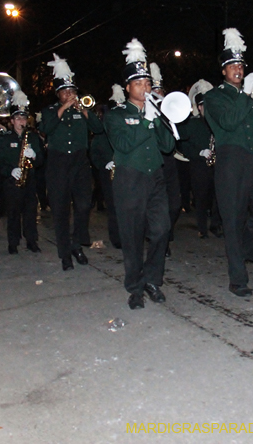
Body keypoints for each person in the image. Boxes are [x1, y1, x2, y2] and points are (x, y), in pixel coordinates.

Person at [202, 28, 253, 297]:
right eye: (232, 65)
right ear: (223, 71)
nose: (237, 69)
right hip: (231, 162)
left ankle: (242, 252)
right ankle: (238, 279)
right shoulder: (214, 97)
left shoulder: (252, 98)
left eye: (240, 65)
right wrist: (249, 98)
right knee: (232, 220)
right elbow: (228, 121)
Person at [105, 38, 173, 309]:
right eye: (139, 84)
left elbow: (168, 146)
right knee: (131, 236)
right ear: (128, 87)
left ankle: (153, 279)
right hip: (129, 179)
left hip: (155, 177)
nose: (145, 88)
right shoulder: (115, 115)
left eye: (147, 83)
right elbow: (122, 144)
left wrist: (160, 119)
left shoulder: (156, 112)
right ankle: (135, 286)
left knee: (161, 230)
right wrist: (145, 120)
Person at [40, 54, 104, 270]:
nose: (70, 95)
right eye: (66, 92)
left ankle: (77, 244)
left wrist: (85, 111)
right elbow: (45, 129)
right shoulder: (50, 111)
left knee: (84, 205)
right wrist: (63, 108)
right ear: (58, 93)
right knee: (60, 210)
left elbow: (98, 128)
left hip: (79, 162)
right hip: (58, 163)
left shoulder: (81, 110)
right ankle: (65, 253)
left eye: (73, 91)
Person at [0, 98, 44, 255]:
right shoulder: (5, 138)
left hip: (29, 179)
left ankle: (31, 241)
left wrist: (35, 156)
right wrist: (10, 171)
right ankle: (13, 243)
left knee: (30, 212)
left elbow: (42, 160)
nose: (21, 121)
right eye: (17, 118)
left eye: (23, 118)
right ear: (12, 121)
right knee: (13, 213)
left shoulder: (33, 137)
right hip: (12, 181)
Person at [179, 80, 221, 239]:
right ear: (199, 107)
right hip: (199, 166)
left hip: (217, 165)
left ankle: (216, 225)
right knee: (201, 198)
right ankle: (202, 228)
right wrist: (199, 152)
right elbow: (184, 146)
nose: (205, 108)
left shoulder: (217, 123)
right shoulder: (192, 124)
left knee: (219, 197)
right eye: (203, 106)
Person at [150, 63, 181, 258]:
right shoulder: (145, 111)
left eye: (161, 90)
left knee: (175, 204)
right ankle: (160, 239)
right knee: (156, 205)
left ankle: (165, 233)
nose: (159, 93)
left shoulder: (169, 111)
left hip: (169, 161)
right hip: (153, 162)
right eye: (155, 90)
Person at [89, 90, 125, 250]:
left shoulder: (124, 130)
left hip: (125, 171)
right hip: (108, 173)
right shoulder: (101, 134)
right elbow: (94, 154)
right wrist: (104, 164)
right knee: (113, 206)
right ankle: (116, 237)